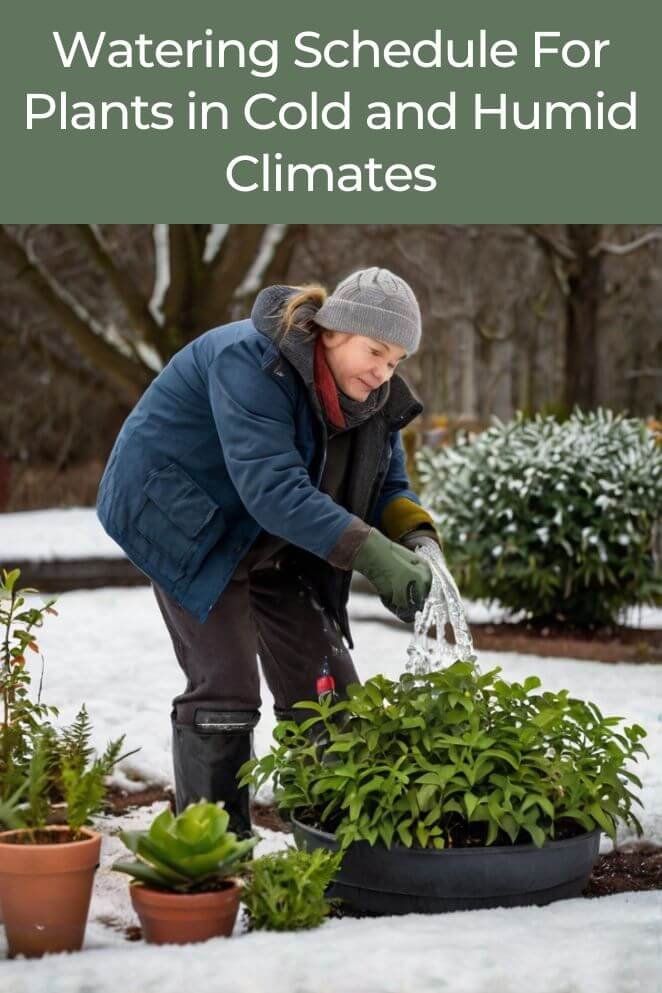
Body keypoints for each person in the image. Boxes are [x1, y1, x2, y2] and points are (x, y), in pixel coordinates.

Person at [96, 266, 441, 836]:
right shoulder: (252, 362)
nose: (383, 372)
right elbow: (273, 490)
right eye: (375, 351)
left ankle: (337, 838)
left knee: (328, 687)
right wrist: (373, 556)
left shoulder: (373, 400)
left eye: (397, 360)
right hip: (183, 516)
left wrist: (418, 541)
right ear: (332, 331)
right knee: (226, 686)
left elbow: (388, 487)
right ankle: (210, 852)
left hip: (275, 533)